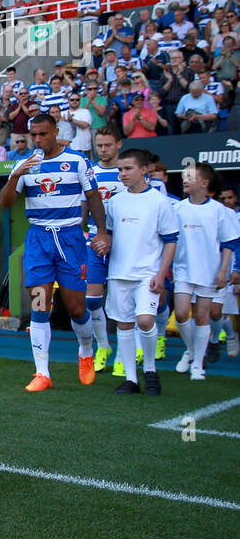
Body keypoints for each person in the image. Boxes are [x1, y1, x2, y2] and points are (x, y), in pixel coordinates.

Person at [0, 113, 109, 393]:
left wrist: (101, 231)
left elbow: (94, 198)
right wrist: (16, 176)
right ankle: (42, 372)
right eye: (33, 135)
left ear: (56, 132)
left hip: (71, 237)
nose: (37, 140)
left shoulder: (77, 161)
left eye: (43, 134)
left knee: (76, 307)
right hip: (39, 239)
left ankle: (86, 349)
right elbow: (5, 202)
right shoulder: (24, 165)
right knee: (40, 305)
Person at [103, 148, 178, 396]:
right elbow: (109, 236)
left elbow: (170, 240)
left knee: (145, 321)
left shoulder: (159, 201)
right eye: (120, 169)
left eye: (128, 169)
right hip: (118, 274)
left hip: (147, 274)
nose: (122, 174)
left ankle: (150, 370)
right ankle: (131, 380)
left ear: (144, 170)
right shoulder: (114, 202)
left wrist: (161, 273)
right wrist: (102, 244)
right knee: (124, 325)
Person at [170, 161, 240, 381]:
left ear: (204, 183)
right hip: (183, 269)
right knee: (181, 314)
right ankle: (191, 351)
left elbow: (229, 243)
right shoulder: (178, 208)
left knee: (202, 316)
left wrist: (223, 271)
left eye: (190, 177)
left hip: (209, 271)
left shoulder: (219, 210)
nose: (185, 180)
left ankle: (198, 363)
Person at [85, 128, 123, 376]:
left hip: (123, 243)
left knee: (122, 303)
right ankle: (104, 347)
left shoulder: (126, 173)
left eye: (108, 145)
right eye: (99, 145)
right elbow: (83, 208)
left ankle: (124, 355)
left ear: (118, 144)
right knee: (92, 299)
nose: (103, 149)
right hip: (94, 242)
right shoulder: (90, 174)